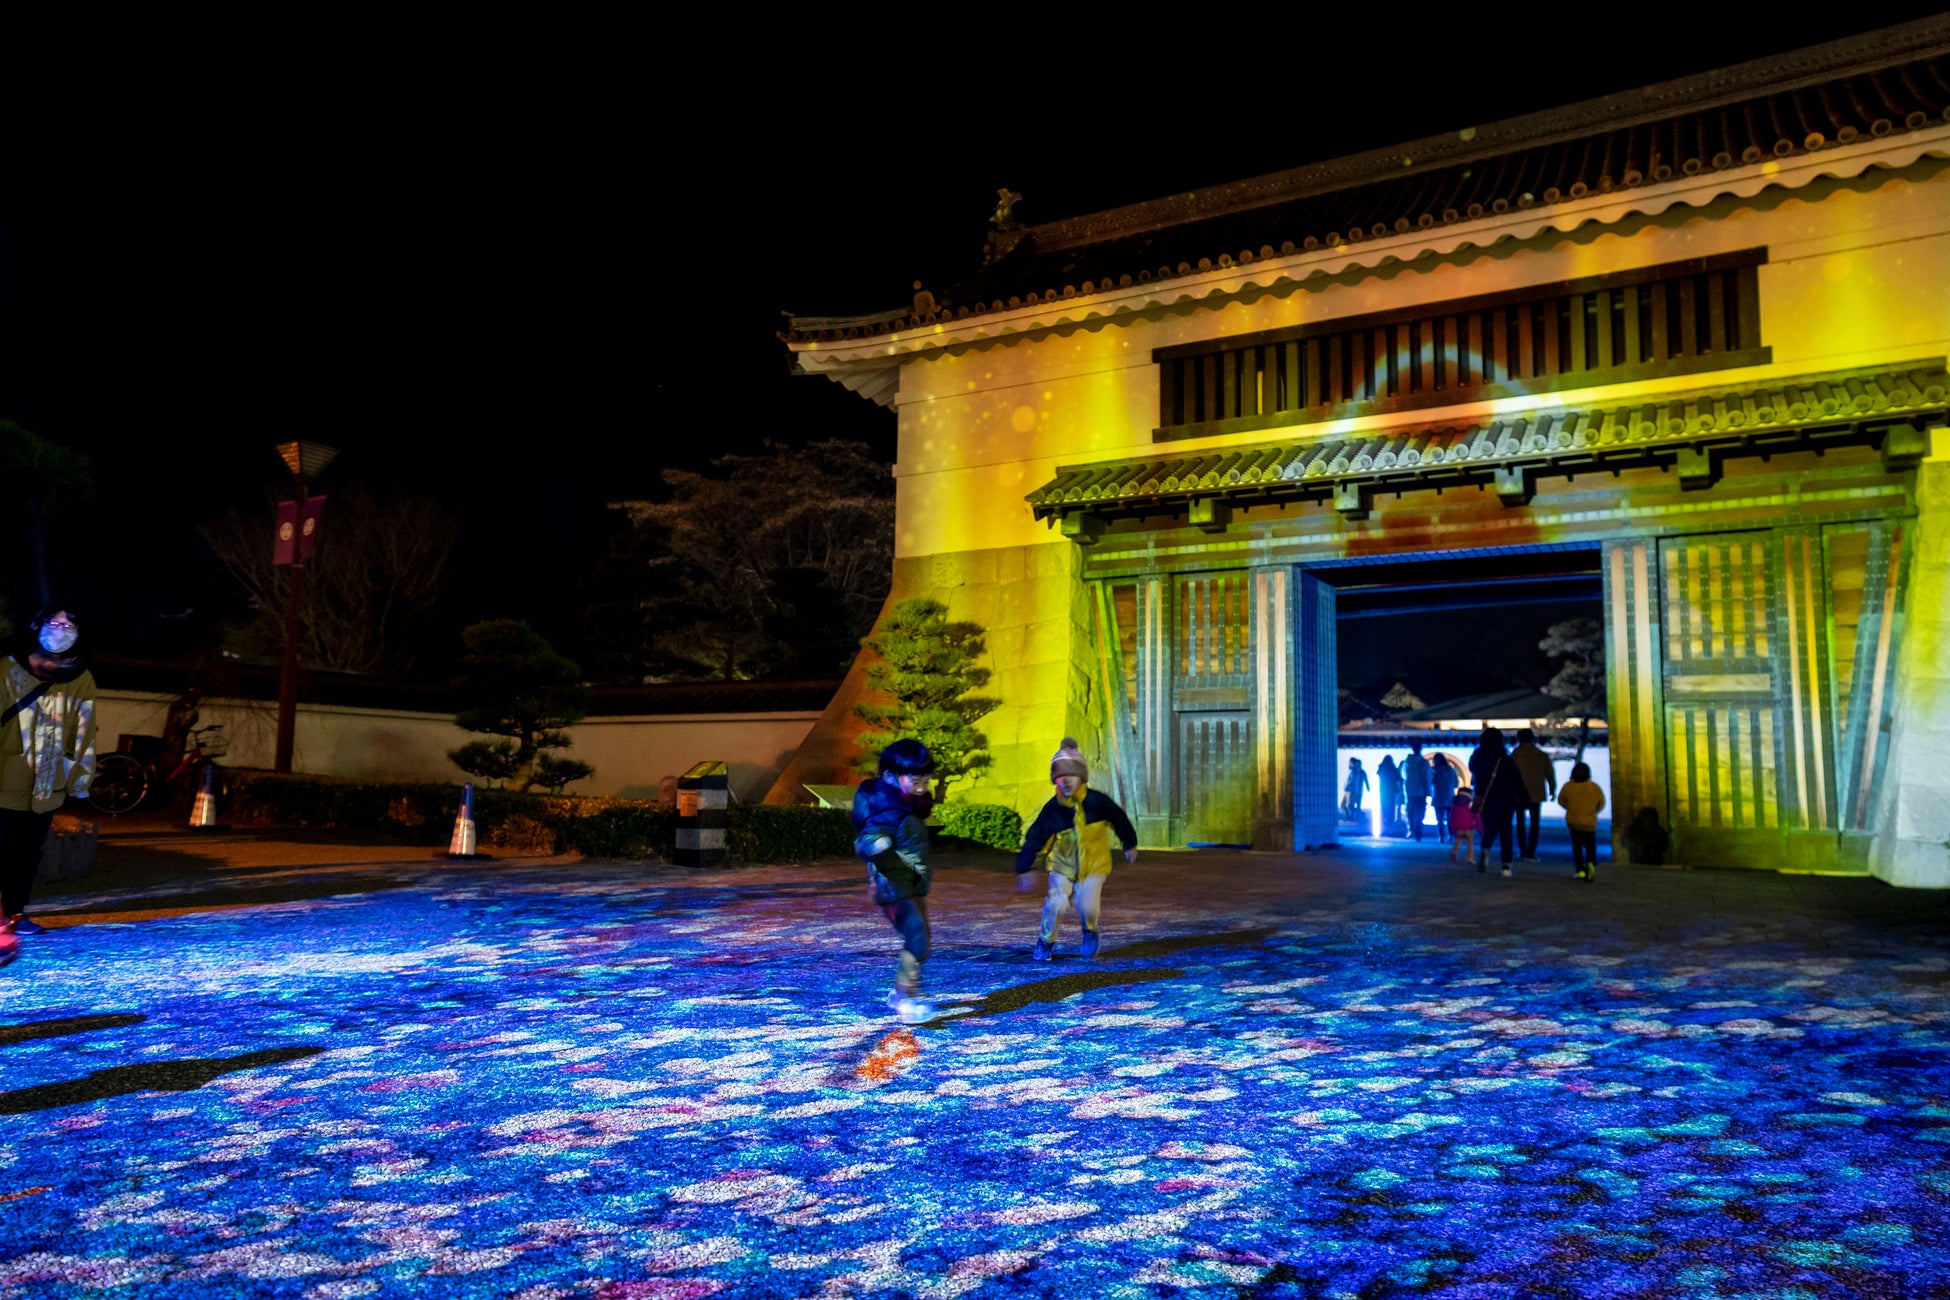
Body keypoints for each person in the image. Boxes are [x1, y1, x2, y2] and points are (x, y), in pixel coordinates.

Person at [1, 607, 97, 938]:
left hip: (46, 782)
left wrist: (80, 777)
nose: (61, 630)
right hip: (4, 777)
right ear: (36, 626)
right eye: (54, 623)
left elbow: (84, 730)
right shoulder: (7, 669)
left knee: (27, 853)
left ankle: (16, 912)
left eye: (69, 625)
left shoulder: (80, 676)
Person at [1015, 738, 1137, 961]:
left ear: (1081, 777)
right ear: (1055, 779)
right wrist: (1026, 867)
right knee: (1056, 903)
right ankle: (1046, 941)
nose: (1066, 780)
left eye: (1071, 774)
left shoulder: (1097, 802)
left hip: (1094, 865)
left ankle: (1090, 932)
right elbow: (1036, 837)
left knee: (1087, 904)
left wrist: (1129, 843)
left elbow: (1119, 819)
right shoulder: (1053, 809)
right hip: (1062, 865)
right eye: (1060, 776)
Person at [850, 738, 938, 1025]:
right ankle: (906, 998)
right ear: (889, 776)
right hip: (892, 884)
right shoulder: (886, 808)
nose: (922, 788)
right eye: (916, 781)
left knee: (922, 941)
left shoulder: (907, 804)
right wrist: (877, 845)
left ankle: (901, 992)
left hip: (909, 881)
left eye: (926, 780)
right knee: (917, 937)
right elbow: (867, 840)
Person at [1467, 726, 1523, 877]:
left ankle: (1485, 851)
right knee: (1506, 832)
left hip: (1486, 798)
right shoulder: (1506, 759)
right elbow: (1517, 779)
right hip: (1506, 799)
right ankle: (1506, 866)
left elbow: (1473, 770)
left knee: (1489, 828)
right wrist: (1524, 797)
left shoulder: (1477, 757)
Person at [1510, 728, 1558, 862]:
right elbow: (1550, 773)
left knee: (1520, 823)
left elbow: (1509, 775)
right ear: (1532, 738)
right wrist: (1552, 789)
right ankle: (1531, 852)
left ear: (1519, 739)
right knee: (1534, 824)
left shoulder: (1515, 755)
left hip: (1518, 794)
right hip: (1536, 793)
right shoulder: (1540, 755)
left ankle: (1523, 851)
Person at [1557, 761, 1607, 881]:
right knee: (1590, 846)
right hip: (1589, 823)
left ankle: (1580, 870)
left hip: (1574, 822)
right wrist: (1593, 811)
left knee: (1577, 847)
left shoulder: (1568, 787)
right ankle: (1591, 863)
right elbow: (1601, 803)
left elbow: (1561, 800)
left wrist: (1570, 808)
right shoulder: (1594, 787)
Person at [1404, 743, 1433, 841]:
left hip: (1410, 791)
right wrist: (1429, 792)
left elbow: (1404, 776)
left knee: (1410, 811)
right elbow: (1427, 778)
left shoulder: (1407, 762)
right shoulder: (1424, 763)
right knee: (1420, 813)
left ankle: (1411, 828)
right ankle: (1418, 833)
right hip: (1421, 791)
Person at [1431, 751, 1459, 843]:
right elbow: (1456, 784)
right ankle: (1451, 835)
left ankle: (1442, 836)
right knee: (1450, 818)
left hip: (1438, 797)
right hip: (1449, 797)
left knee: (1439, 818)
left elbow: (1430, 782)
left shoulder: (1433, 770)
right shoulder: (1451, 770)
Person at [1447, 790, 1480, 864]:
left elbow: (1451, 818)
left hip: (1458, 827)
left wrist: (1452, 828)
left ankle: (1454, 852)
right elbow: (1477, 816)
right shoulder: (1471, 804)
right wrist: (1480, 827)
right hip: (1469, 826)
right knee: (1470, 842)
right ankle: (1470, 858)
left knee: (1459, 840)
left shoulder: (1455, 805)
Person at [1376, 756, 1403, 837]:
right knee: (1391, 806)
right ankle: (1390, 822)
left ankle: (1383, 821)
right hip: (1391, 790)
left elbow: (1378, 775)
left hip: (1383, 789)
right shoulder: (1393, 769)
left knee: (1383, 806)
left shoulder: (1381, 768)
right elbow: (1398, 778)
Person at [1342, 757, 1368, 823]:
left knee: (1350, 805)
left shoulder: (1355, 771)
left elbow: (1353, 781)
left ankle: (1353, 817)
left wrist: (1347, 787)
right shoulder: (1356, 771)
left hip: (1352, 791)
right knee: (1350, 805)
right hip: (1354, 791)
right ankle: (1354, 817)